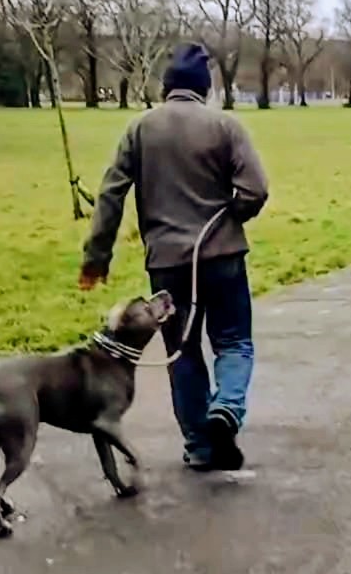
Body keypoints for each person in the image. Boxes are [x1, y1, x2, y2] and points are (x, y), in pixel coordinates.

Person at [80, 43, 270, 472]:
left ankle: (201, 447)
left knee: (182, 353)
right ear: (204, 88)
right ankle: (227, 408)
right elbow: (256, 190)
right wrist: (233, 213)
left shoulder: (140, 128)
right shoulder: (226, 126)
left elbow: (111, 193)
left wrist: (97, 258)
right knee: (234, 341)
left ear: (167, 87)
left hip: (167, 263)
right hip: (222, 255)